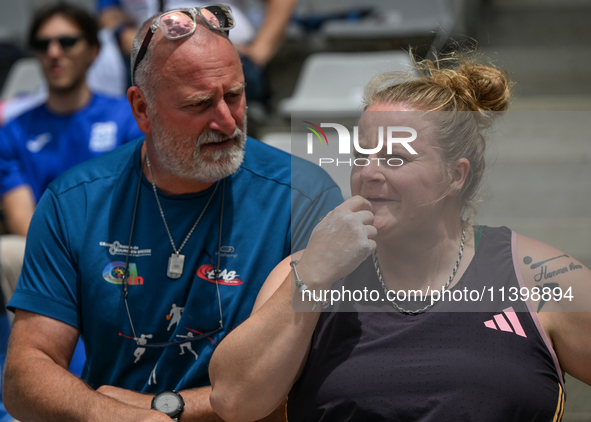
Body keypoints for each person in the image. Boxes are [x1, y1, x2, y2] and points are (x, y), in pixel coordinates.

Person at [3, 5, 342, 422]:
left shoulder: (302, 196)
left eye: (234, 96)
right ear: (141, 110)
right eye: (199, 104)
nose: (226, 121)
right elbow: (24, 375)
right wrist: (111, 415)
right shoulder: (75, 200)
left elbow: (314, 380)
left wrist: (164, 409)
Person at [209, 55, 591, 421]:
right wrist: (313, 275)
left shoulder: (540, 278)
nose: (368, 173)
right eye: (362, 155)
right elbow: (233, 401)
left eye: (395, 157)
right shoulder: (306, 274)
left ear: (456, 175)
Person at [97, 0, 298, 103]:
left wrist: (259, 52)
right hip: (146, 54)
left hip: (223, 55)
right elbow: (108, 11)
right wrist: (122, 33)